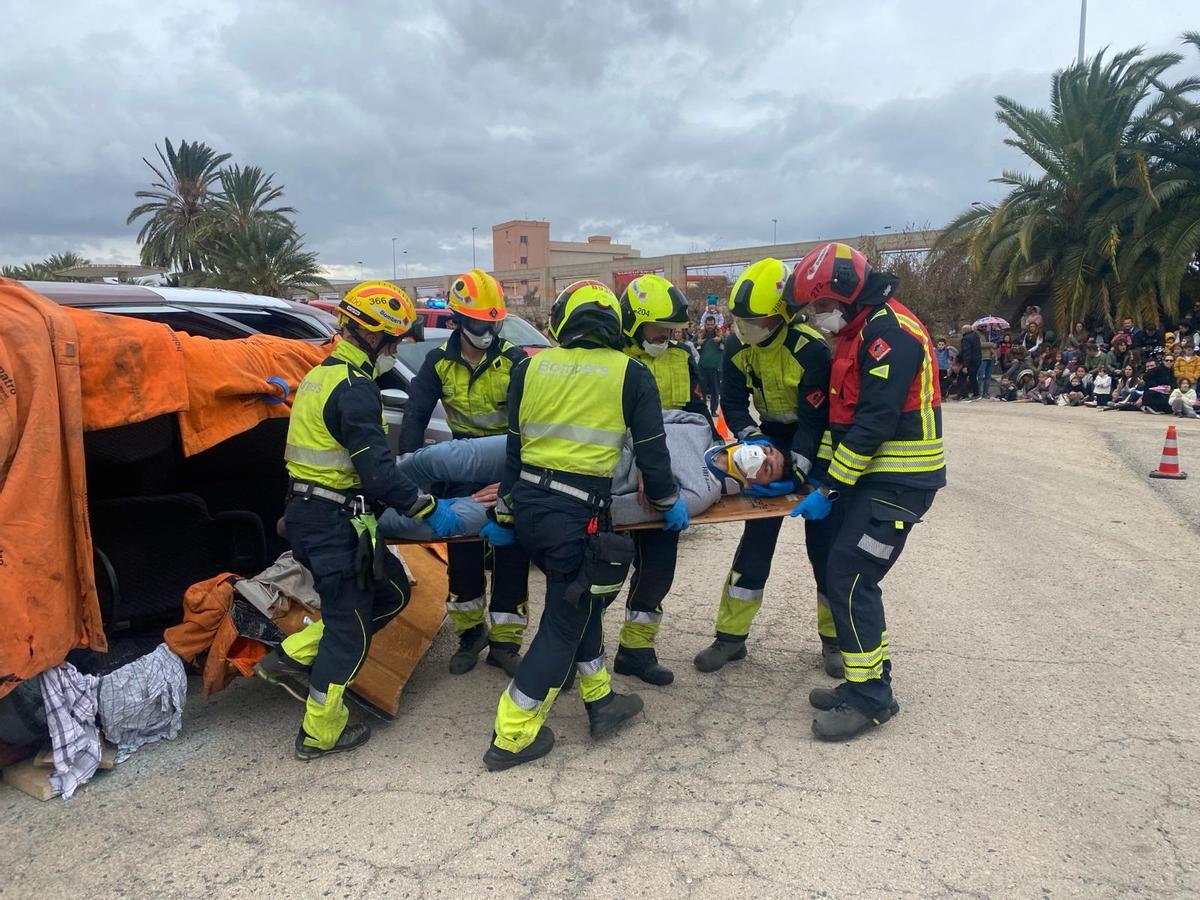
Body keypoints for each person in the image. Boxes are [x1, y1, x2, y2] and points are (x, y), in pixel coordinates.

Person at [481, 280, 689, 771]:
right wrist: (669, 502)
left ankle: (601, 702)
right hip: (578, 515)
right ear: (615, 327)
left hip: (530, 506)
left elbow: (514, 451)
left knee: (583, 598)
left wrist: (504, 513)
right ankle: (511, 736)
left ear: (560, 323)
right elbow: (653, 457)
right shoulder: (631, 372)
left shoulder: (529, 366)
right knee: (563, 620)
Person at [255, 282, 463, 760]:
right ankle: (320, 732)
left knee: (391, 593)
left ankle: (291, 657)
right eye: (392, 340)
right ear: (370, 336)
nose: (395, 349)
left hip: (324, 516)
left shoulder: (322, 375)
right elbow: (379, 473)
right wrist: (430, 510)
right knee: (349, 634)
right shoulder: (354, 390)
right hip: (330, 521)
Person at [788, 242, 945, 742]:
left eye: (819, 306)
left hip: (900, 482)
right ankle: (865, 681)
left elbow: (875, 423)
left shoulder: (890, 333)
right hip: (872, 480)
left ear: (843, 295)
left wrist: (831, 487)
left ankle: (873, 700)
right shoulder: (859, 332)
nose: (816, 318)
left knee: (851, 575)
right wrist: (816, 477)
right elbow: (843, 422)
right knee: (839, 571)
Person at [692, 258, 839, 677]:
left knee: (825, 550)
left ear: (782, 317)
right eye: (741, 320)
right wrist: (750, 439)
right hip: (768, 436)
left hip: (815, 441)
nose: (746, 328)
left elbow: (816, 420)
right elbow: (734, 404)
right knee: (754, 546)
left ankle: (834, 642)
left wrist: (797, 474)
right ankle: (730, 638)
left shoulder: (810, 350)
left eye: (756, 321)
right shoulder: (737, 347)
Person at [395, 269, 531, 677]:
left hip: (507, 465)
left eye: (493, 323)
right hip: (460, 468)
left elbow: (529, 422)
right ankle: (471, 634)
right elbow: (416, 417)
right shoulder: (438, 363)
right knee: (463, 555)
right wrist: (409, 474)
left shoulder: (514, 361)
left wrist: (510, 482)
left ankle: (506, 643)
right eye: (477, 323)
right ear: (457, 320)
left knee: (511, 549)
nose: (486, 331)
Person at [614, 274, 713, 685]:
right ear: (635, 324)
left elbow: (695, 414)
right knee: (604, 568)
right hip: (619, 474)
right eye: (660, 329)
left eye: (672, 330)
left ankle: (636, 650)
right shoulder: (615, 359)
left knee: (658, 568)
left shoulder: (681, 357)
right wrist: (640, 464)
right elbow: (612, 423)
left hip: (664, 477)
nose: (667, 336)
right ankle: (575, 650)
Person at [696, 316, 726, 414]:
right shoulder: (701, 334)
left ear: (715, 324)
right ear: (705, 324)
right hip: (702, 368)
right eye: (708, 324)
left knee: (715, 391)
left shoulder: (720, 334)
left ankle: (713, 410)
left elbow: (727, 343)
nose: (710, 326)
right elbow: (691, 344)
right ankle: (703, 410)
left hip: (715, 368)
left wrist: (721, 339)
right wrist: (698, 342)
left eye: (711, 324)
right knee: (702, 391)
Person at [959, 324, 981, 401]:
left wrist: (965, 366)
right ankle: (976, 394)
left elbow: (966, 352)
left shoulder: (966, 339)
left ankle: (964, 395)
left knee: (961, 377)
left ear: (965, 330)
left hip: (970, 362)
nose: (961, 331)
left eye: (962, 330)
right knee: (973, 377)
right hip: (977, 360)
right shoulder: (976, 336)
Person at [976, 326, 996, 399]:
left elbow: (991, 346)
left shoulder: (988, 335)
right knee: (980, 376)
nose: (984, 328)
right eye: (982, 326)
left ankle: (986, 392)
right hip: (982, 357)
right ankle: (978, 392)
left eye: (985, 326)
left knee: (988, 376)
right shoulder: (977, 334)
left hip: (989, 357)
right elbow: (980, 344)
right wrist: (990, 344)